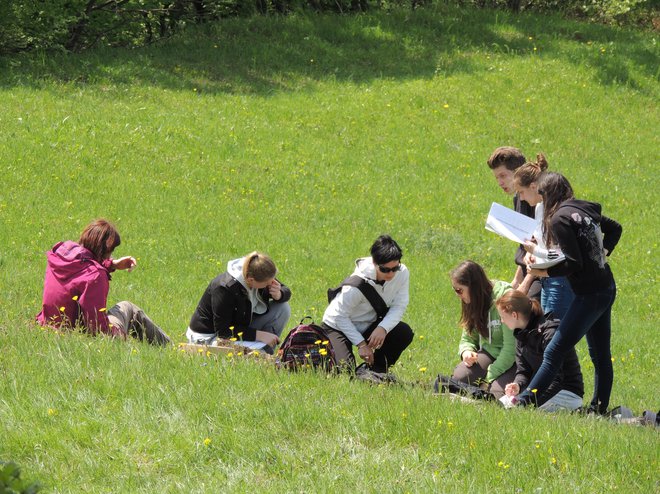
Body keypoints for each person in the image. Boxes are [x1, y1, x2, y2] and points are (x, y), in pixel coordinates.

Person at [516, 172, 622, 414]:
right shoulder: (581, 209)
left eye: (542, 195)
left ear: (548, 194)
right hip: (605, 287)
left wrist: (543, 274)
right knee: (600, 354)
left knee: (554, 349)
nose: (540, 201)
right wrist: (603, 253)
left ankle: (524, 403)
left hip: (591, 295)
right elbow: (615, 229)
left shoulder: (559, 219)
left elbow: (573, 263)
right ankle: (598, 408)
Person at [36, 219, 171, 345]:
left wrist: (112, 264)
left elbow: (82, 269)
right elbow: (95, 325)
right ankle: (171, 349)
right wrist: (119, 335)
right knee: (129, 308)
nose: (111, 254)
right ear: (104, 250)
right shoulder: (95, 276)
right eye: (111, 251)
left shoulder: (60, 255)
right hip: (78, 336)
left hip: (49, 327)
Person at [321, 235, 414, 374]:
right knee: (345, 369)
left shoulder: (403, 273)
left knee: (403, 332)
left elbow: (399, 305)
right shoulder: (355, 286)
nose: (391, 274)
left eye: (395, 268)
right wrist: (361, 344)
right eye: (385, 270)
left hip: (368, 322)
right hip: (337, 325)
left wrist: (383, 328)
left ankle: (376, 371)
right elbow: (339, 316)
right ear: (375, 263)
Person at [496, 290, 584, 411]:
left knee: (516, 409)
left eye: (502, 317)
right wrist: (518, 385)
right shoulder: (520, 334)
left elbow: (557, 379)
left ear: (514, 315)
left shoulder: (550, 333)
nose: (502, 321)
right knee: (503, 404)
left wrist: (529, 403)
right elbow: (524, 371)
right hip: (538, 391)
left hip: (566, 392)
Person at [187, 252, 291, 353]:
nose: (271, 284)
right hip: (210, 337)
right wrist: (260, 335)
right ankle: (259, 353)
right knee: (239, 351)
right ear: (251, 280)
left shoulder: (258, 272)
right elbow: (224, 332)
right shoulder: (224, 288)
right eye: (267, 283)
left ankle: (264, 351)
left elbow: (285, 290)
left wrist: (279, 294)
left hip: (241, 325)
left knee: (283, 308)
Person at [513, 154, 575, 320]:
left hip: (560, 280)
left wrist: (535, 250)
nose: (521, 198)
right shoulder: (540, 207)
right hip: (547, 278)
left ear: (534, 186)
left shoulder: (558, 214)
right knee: (548, 333)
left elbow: (560, 253)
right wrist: (530, 254)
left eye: (521, 192)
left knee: (554, 335)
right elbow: (544, 244)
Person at [450, 260, 516, 399]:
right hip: (489, 352)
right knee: (459, 378)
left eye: (459, 290)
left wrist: (488, 377)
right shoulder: (471, 300)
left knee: (494, 395)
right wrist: (466, 351)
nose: (457, 295)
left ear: (473, 286)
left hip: (514, 358)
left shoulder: (504, 299)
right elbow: (468, 336)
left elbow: (511, 350)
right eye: (455, 290)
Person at [487, 146, 540, 299]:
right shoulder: (518, 197)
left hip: (541, 274)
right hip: (529, 270)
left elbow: (540, 244)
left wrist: (525, 283)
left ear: (518, 171)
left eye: (503, 176)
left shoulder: (533, 198)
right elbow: (524, 242)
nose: (499, 182)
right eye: (497, 178)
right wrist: (516, 280)